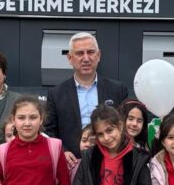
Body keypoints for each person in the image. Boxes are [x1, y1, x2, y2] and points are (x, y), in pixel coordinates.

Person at [44, 32, 128, 165]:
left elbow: (125, 127)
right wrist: (62, 151)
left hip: (112, 162)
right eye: (79, 53)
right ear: (70, 58)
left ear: (98, 55)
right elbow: (49, 131)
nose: (86, 58)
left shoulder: (117, 90)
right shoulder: (56, 94)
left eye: (90, 52)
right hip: (73, 163)